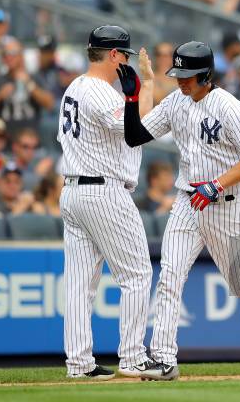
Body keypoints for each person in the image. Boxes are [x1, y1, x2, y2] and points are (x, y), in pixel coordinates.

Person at [119, 41, 240, 380]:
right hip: (188, 201)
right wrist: (138, 91)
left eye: (187, 76)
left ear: (205, 74)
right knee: (170, 277)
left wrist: (216, 184)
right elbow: (136, 135)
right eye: (177, 75)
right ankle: (164, 359)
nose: (181, 81)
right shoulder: (176, 101)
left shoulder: (229, 107)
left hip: (226, 205)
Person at [57, 25, 161, 381]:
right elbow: (134, 129)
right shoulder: (99, 92)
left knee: (79, 284)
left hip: (74, 191)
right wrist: (146, 86)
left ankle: (79, 364)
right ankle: (133, 358)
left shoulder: (75, 87)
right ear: (114, 55)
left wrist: (143, 89)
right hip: (103, 191)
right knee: (136, 274)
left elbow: (132, 123)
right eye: (125, 56)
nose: (127, 63)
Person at [0, 39, 54, 134]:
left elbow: (50, 104)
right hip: (4, 139)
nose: (8, 57)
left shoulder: (34, 77)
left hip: (30, 141)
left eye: (12, 53)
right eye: (5, 54)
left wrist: (30, 85)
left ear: (21, 55)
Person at [34, 35, 60, 99]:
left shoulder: (61, 73)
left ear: (53, 53)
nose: (43, 56)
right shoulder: (34, 74)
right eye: (42, 52)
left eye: (47, 52)